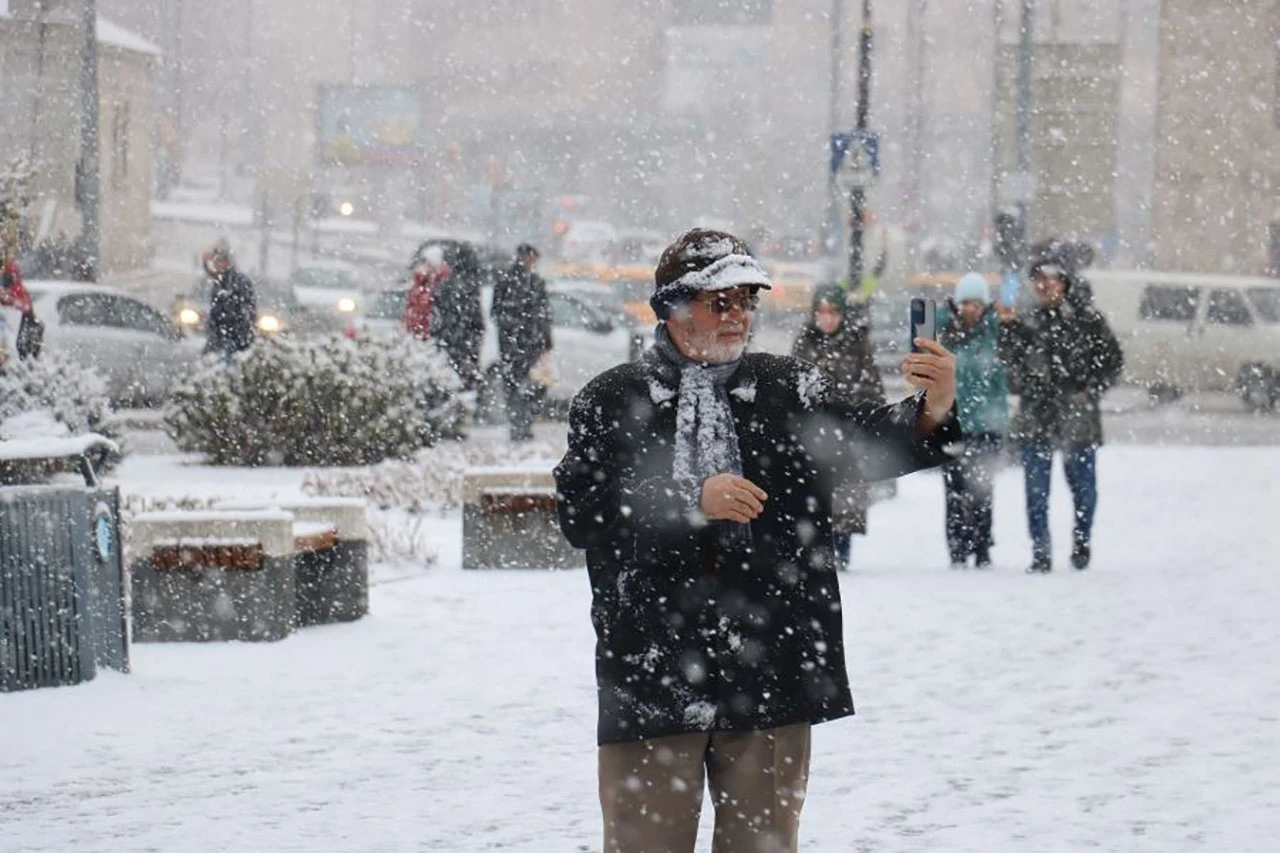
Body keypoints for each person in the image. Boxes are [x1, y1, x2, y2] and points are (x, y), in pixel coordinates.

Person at [554, 228, 960, 853]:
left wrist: (932, 408)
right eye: (721, 301)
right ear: (673, 306)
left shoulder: (788, 388)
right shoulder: (611, 400)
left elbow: (869, 445)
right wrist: (691, 500)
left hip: (771, 665)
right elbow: (581, 514)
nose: (739, 315)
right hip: (651, 669)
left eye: (747, 300)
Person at [998, 241, 1123, 573]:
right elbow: (1010, 369)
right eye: (1037, 279)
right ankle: (1040, 552)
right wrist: (1008, 336)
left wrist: (1090, 392)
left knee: (1083, 488)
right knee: (1036, 491)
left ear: (1064, 282)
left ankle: (1081, 542)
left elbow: (1112, 361)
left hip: (1077, 416)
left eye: (1050, 279)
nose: (1043, 285)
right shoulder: (1026, 322)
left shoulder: (1087, 320)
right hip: (1036, 414)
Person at [790, 283, 885, 570]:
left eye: (833, 312)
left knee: (845, 495)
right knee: (812, 495)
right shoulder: (804, 342)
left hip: (846, 433)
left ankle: (840, 553)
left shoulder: (858, 344)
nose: (827, 318)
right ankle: (815, 550)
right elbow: (791, 384)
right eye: (821, 312)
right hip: (812, 432)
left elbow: (872, 387)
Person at [938, 272, 1010, 569]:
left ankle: (981, 545)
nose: (970, 309)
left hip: (986, 425)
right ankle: (957, 548)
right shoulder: (944, 332)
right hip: (951, 424)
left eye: (976, 303)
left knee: (982, 491)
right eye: (965, 302)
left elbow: (1005, 373)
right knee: (954, 492)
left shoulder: (996, 333)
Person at [490, 243, 553, 442]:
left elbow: (496, 313)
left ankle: (518, 423)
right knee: (530, 385)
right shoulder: (531, 283)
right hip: (527, 344)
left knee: (515, 385)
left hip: (512, 345)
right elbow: (543, 315)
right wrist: (543, 338)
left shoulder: (507, 281)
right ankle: (522, 423)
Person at [431, 242, 485, 388]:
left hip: (448, 341)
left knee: (447, 382)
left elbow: (436, 315)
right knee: (466, 385)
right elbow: (475, 318)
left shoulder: (446, 284)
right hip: (464, 343)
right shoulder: (472, 286)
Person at [202, 239, 256, 362]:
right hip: (227, 338)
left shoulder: (233, 282)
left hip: (232, 339)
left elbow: (239, 311)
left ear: (225, 262)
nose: (214, 265)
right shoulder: (221, 281)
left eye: (217, 261)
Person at [403, 244, 449, 341]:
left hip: (430, 334)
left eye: (427, 263)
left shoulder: (440, 283)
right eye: (423, 262)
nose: (423, 266)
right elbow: (411, 306)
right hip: (416, 332)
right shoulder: (420, 283)